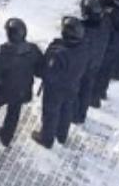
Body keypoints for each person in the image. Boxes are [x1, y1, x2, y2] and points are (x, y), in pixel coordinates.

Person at [0, 17, 42, 147]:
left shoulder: (5, 51)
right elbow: (39, 69)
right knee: (14, 113)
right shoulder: (33, 49)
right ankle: (6, 136)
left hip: (4, 88)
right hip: (22, 89)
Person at [33, 16, 87, 149]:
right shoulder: (83, 48)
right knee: (66, 109)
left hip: (55, 89)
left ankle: (46, 138)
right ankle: (62, 135)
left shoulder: (58, 53)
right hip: (73, 85)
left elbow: (47, 71)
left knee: (51, 112)